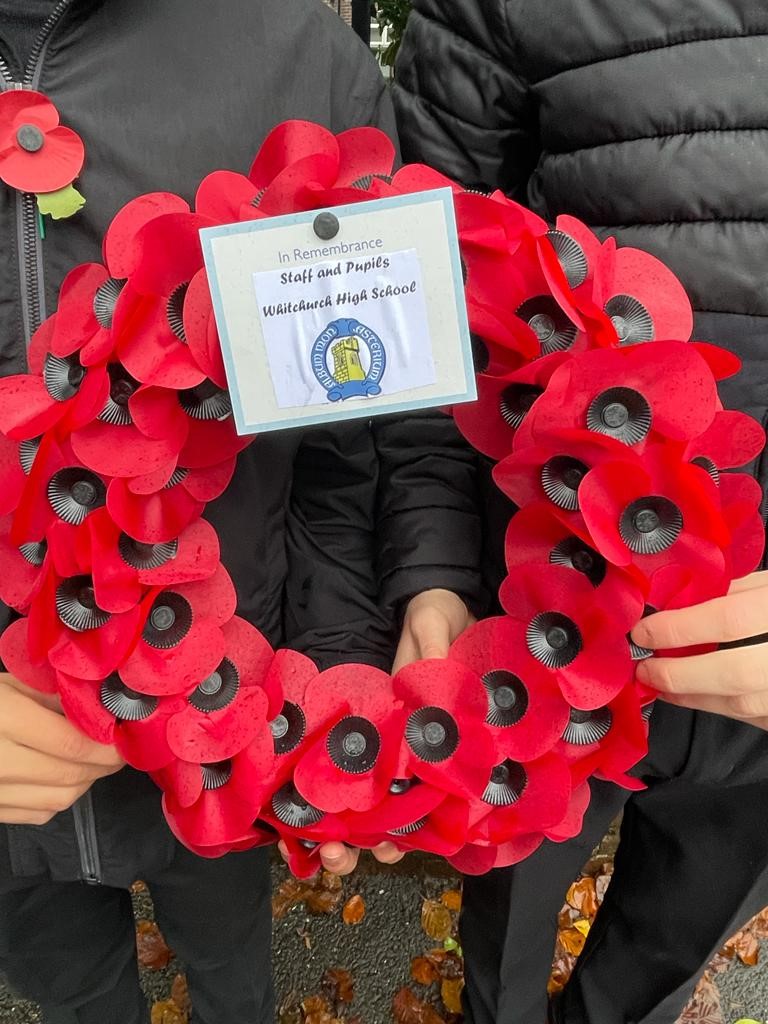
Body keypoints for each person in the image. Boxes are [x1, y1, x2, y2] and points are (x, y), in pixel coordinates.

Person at [0, 2, 482, 1022]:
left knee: (231, 967)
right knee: (71, 991)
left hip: (222, 721)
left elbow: (348, 431)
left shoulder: (290, 53)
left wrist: (338, 673)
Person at [392, 3, 768, 1022]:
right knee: (508, 901)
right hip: (543, 598)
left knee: (670, 941)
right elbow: (415, 295)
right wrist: (434, 566)